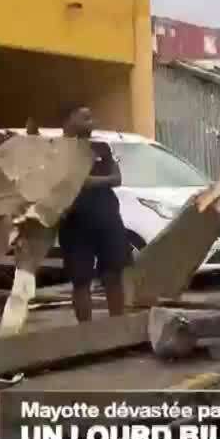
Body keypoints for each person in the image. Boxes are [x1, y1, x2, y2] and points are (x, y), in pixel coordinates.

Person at [57, 106, 130, 322]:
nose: (91, 122)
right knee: (81, 280)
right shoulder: (58, 150)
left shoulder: (101, 148)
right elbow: (58, 182)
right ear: (68, 120)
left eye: (91, 117)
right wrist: (87, 182)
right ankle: (86, 333)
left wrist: (86, 181)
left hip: (108, 219)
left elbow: (117, 178)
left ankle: (118, 326)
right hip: (75, 223)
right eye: (85, 118)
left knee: (113, 275)